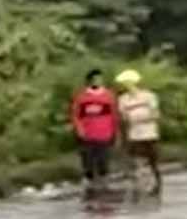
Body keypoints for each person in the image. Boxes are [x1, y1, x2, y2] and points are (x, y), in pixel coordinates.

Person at [70, 69, 118, 194]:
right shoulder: (81, 97)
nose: (98, 81)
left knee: (103, 161)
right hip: (87, 135)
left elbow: (114, 115)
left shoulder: (109, 96)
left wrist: (114, 131)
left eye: (100, 79)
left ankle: (104, 186)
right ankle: (89, 185)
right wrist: (79, 129)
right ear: (89, 81)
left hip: (105, 134)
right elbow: (75, 115)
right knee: (88, 162)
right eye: (95, 79)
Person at [116, 69, 163, 197]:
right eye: (125, 83)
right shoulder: (123, 99)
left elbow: (155, 114)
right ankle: (142, 185)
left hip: (150, 133)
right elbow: (124, 117)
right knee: (138, 161)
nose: (127, 85)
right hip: (135, 135)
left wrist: (139, 118)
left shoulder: (149, 96)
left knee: (153, 161)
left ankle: (157, 184)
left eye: (129, 82)